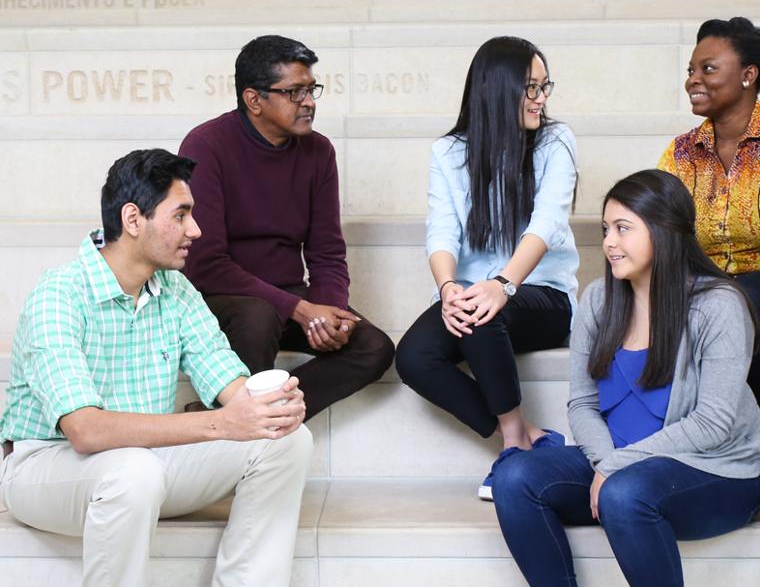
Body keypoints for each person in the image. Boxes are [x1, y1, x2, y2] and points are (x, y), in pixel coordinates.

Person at [0, 149, 312, 587]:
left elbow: (228, 383)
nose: (196, 230)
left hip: (145, 466)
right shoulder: (59, 294)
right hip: (48, 468)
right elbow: (85, 431)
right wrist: (221, 424)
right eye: (180, 215)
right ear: (133, 220)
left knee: (286, 440)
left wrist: (268, 408)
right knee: (133, 472)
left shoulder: (176, 290)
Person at [492, 169, 760, 587]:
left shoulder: (718, 305)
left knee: (625, 494)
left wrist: (615, 467)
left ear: (664, 230)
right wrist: (608, 463)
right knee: (514, 478)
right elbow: (582, 402)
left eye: (623, 229)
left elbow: (713, 423)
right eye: (605, 229)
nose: (608, 243)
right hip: (616, 465)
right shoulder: (599, 298)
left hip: (714, 471)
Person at [394, 36, 579, 501]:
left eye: (544, 87)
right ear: (497, 91)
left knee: (483, 312)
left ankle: (514, 444)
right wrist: (448, 287)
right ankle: (526, 433)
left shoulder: (556, 142)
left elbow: (548, 224)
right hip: (477, 293)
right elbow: (441, 233)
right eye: (531, 89)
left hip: (542, 293)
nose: (542, 99)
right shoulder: (450, 152)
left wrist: (502, 284)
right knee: (413, 356)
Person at [178, 35, 394, 419]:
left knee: (373, 347)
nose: (308, 102)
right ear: (254, 100)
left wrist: (329, 311)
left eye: (311, 90)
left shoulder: (319, 151)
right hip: (224, 296)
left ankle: (266, 413)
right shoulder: (206, 146)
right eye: (294, 92)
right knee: (258, 317)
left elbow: (326, 251)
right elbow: (206, 263)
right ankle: (239, 423)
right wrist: (299, 308)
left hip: (288, 295)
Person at [658, 16, 760, 402]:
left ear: (748, 74)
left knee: (733, 301)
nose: (692, 80)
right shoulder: (681, 153)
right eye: (690, 70)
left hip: (754, 285)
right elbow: (658, 226)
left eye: (708, 68)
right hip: (700, 286)